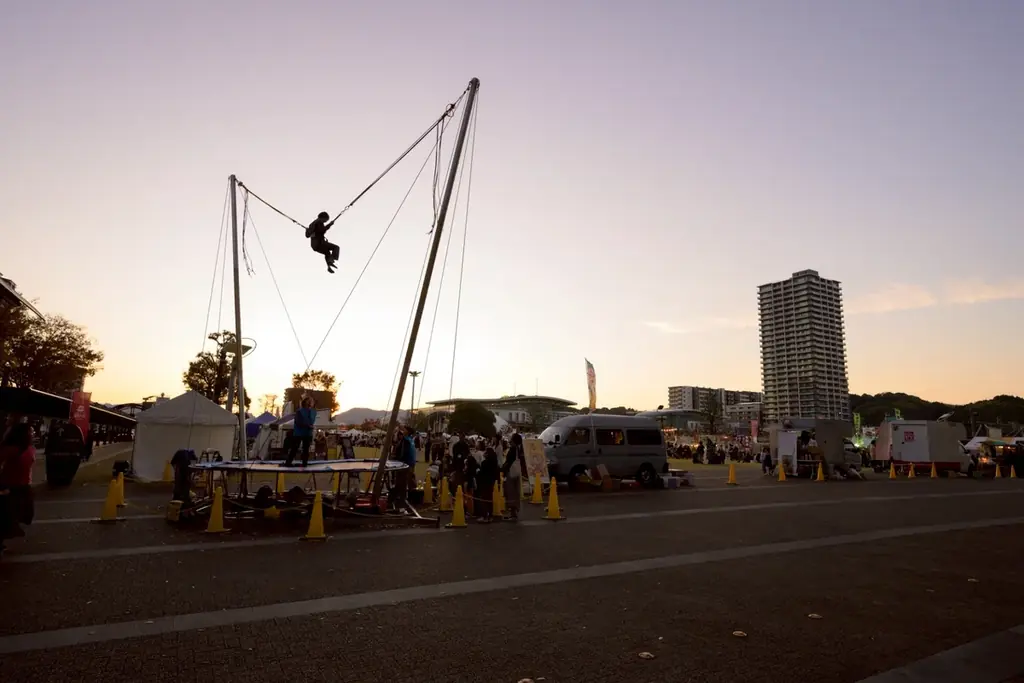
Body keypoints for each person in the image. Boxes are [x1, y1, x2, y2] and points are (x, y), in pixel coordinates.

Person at [0, 423, 37, 555]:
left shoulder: (30, 448)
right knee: (7, 517)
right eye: (30, 432)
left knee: (21, 515)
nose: (33, 434)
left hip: (23, 486)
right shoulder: (10, 449)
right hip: (8, 487)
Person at [283, 397, 317, 467]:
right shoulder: (300, 411)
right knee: (295, 448)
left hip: (307, 432)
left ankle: (304, 463)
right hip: (299, 432)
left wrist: (310, 426)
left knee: (305, 449)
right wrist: (308, 425)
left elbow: (311, 421)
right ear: (305, 402)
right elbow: (298, 422)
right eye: (309, 401)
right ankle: (288, 462)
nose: (311, 402)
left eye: (311, 401)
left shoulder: (313, 412)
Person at [502, 433, 526, 521]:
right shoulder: (519, 449)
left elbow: (509, 461)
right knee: (516, 492)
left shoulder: (512, 449)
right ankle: (514, 512)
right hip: (517, 472)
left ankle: (513, 514)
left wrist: (503, 468)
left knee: (511, 492)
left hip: (511, 473)